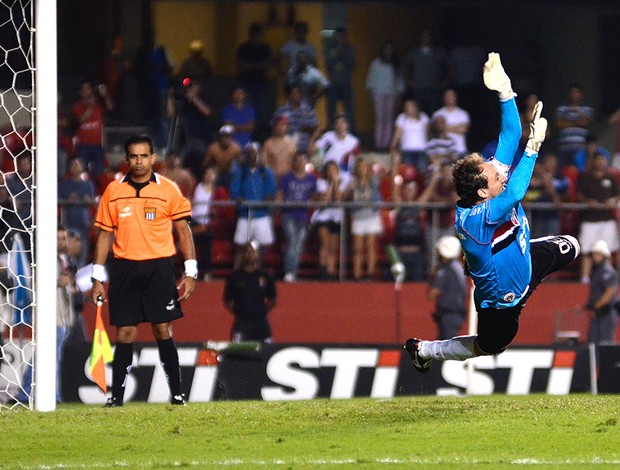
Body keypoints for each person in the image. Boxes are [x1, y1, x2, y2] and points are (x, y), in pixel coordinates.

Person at [404, 53, 580, 373]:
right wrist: (532, 150)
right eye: (495, 174)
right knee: (490, 346)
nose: (501, 171)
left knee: (573, 244)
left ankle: (521, 250)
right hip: (502, 303)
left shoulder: (487, 185)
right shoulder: (475, 221)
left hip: (527, 264)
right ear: (483, 192)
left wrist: (505, 93)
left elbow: (510, 136)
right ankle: (426, 350)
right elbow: (515, 192)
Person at [90, 134, 197, 407]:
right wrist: (97, 277)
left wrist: (191, 270)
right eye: (134, 156)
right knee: (125, 333)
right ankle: (117, 398)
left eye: (143, 156)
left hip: (159, 268)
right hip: (124, 269)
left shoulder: (168, 190)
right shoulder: (113, 191)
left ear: (153, 158)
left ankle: (177, 394)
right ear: (127, 160)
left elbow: (183, 231)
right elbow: (104, 234)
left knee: (163, 328)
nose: (139, 161)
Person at [229, 142, 276, 268]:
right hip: (244, 215)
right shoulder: (240, 172)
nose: (252, 156)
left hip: (261, 215)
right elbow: (234, 190)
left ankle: (258, 271)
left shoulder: (266, 172)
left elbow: (271, 190)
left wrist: (269, 197)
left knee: (261, 247)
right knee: (240, 245)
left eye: (254, 153)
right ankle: (237, 272)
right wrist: (238, 198)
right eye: (249, 153)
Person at [575, 150, 620, 283]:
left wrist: (611, 202)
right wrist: (588, 202)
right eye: (598, 159)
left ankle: (608, 277)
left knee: (609, 250)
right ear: (593, 161)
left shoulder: (610, 178)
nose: (600, 162)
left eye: (602, 159)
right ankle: (585, 278)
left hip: (607, 219)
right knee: (587, 250)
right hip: (590, 219)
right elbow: (578, 194)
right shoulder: (585, 177)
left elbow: (617, 194)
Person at [223, 241, 277, 343]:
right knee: (237, 351)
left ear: (258, 255)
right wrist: (241, 312)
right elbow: (228, 301)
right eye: (247, 252)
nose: (250, 255)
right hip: (241, 323)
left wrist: (260, 311)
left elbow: (272, 299)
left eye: (253, 252)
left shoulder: (265, 276)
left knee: (268, 349)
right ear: (242, 255)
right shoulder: (234, 277)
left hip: (261, 323)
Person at [276, 151, 317, 282]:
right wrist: (278, 206)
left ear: (306, 162)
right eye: (297, 160)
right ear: (293, 162)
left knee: (298, 245)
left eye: (302, 160)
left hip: (303, 215)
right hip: (288, 214)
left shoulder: (311, 178)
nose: (300, 163)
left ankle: (293, 271)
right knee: (292, 241)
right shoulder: (287, 177)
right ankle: (289, 271)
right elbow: (280, 194)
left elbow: (314, 196)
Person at [345, 159, 383, 281]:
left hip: (372, 216)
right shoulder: (352, 182)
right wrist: (350, 191)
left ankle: (370, 274)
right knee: (357, 248)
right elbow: (348, 199)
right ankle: (357, 275)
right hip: (358, 217)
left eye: (364, 167)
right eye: (360, 167)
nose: (362, 169)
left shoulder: (373, 181)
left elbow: (384, 173)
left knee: (370, 246)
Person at [310, 161, 349, 279]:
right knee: (325, 244)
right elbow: (324, 201)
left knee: (333, 247)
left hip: (336, 218)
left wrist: (336, 184)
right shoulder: (321, 183)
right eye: (330, 169)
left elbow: (338, 200)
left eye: (334, 169)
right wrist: (331, 184)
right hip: (323, 217)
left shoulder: (343, 184)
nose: (332, 172)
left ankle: (330, 272)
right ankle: (322, 270)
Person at [365, 40, 404, 150]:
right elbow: (371, 78)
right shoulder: (376, 63)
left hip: (392, 94)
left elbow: (400, 82)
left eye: (390, 49)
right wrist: (370, 93)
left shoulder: (395, 64)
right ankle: (378, 143)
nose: (388, 51)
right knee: (379, 119)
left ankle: (386, 144)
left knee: (389, 119)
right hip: (378, 93)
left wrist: (399, 96)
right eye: (386, 48)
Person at [236, 22, 273, 139]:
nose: (256, 37)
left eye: (258, 35)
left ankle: (258, 137)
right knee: (247, 111)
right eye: (254, 34)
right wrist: (258, 66)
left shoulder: (265, 48)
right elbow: (241, 66)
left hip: (260, 84)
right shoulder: (243, 48)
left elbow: (267, 65)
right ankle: (248, 136)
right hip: (246, 84)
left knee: (260, 112)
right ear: (250, 35)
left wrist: (251, 66)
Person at [71, 81, 114, 180]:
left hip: (97, 145)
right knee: (83, 172)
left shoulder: (98, 106)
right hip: (83, 145)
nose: (86, 91)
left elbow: (110, 108)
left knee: (99, 172)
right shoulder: (77, 106)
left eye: (88, 88)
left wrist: (105, 96)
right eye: (84, 89)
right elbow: (80, 120)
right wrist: (90, 106)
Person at [428, 236, 467, 340]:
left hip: (448, 314)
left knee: (446, 346)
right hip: (458, 313)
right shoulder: (459, 267)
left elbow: (432, 294)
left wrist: (432, 277)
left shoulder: (443, 271)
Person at [58, 157, 96, 265]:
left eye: (77, 164)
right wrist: (68, 200)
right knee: (68, 255)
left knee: (82, 255)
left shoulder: (88, 184)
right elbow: (58, 201)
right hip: (68, 224)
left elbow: (93, 203)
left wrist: (88, 201)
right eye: (73, 164)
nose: (75, 167)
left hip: (83, 225)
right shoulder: (64, 184)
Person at [583, 240, 618, 344]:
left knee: (605, 342)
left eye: (598, 254)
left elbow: (610, 292)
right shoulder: (598, 270)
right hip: (599, 312)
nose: (595, 257)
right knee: (594, 342)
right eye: (594, 254)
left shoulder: (606, 271)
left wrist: (596, 306)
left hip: (606, 312)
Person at [555, 84, 594, 169]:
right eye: (572, 92)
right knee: (563, 171)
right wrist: (577, 122)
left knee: (579, 171)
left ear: (581, 94)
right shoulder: (561, 108)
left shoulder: (587, 109)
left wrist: (567, 121)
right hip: (564, 147)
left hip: (580, 147)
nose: (574, 94)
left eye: (577, 92)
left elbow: (585, 122)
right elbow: (559, 124)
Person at [273, 84, 320, 153]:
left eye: (298, 93)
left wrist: (311, 140)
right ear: (289, 95)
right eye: (293, 93)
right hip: (286, 150)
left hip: (305, 149)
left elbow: (317, 129)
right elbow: (274, 128)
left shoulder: (308, 110)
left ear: (301, 95)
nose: (296, 95)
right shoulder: (281, 110)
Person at [325, 26, 356, 129]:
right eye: (338, 36)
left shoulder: (349, 48)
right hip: (333, 84)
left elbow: (352, 65)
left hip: (346, 83)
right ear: (335, 37)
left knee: (349, 110)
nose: (340, 38)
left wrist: (344, 54)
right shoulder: (330, 48)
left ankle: (350, 133)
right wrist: (338, 53)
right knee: (331, 111)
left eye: (342, 36)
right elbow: (328, 65)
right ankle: (331, 132)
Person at [389, 98, 430, 174]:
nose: (408, 108)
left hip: (421, 150)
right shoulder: (401, 118)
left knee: (422, 172)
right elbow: (397, 134)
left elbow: (426, 133)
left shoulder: (423, 117)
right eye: (406, 106)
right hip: (407, 150)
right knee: (408, 172)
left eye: (410, 106)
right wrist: (393, 147)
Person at [262, 115, 297, 182]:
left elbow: (295, 161)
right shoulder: (268, 144)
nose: (280, 127)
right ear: (274, 127)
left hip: (289, 179)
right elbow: (264, 164)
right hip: (273, 178)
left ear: (287, 127)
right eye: (277, 125)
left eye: (283, 125)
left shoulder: (292, 143)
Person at [221, 84, 256, 149]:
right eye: (235, 93)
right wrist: (244, 127)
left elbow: (250, 127)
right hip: (231, 145)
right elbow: (228, 128)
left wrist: (235, 127)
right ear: (232, 95)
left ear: (245, 95)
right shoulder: (227, 110)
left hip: (247, 144)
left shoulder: (250, 110)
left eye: (240, 93)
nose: (238, 95)